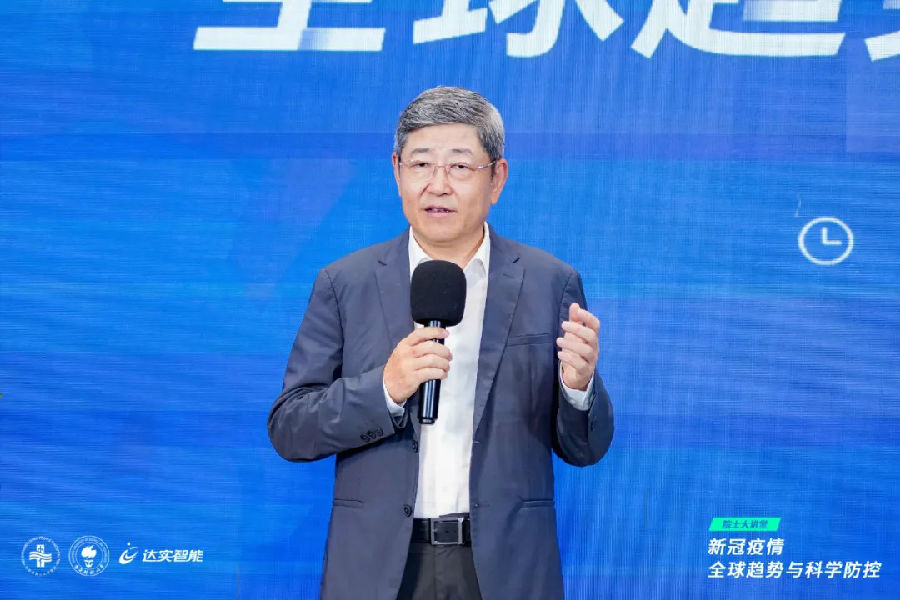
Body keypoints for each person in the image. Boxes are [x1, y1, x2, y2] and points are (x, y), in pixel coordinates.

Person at [268, 86, 614, 600]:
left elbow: (585, 448)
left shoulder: (549, 283)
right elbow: (290, 428)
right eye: (421, 164)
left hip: (505, 569)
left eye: (459, 167)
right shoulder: (345, 284)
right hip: (379, 570)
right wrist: (385, 388)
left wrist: (578, 388)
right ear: (396, 171)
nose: (438, 185)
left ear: (497, 178)